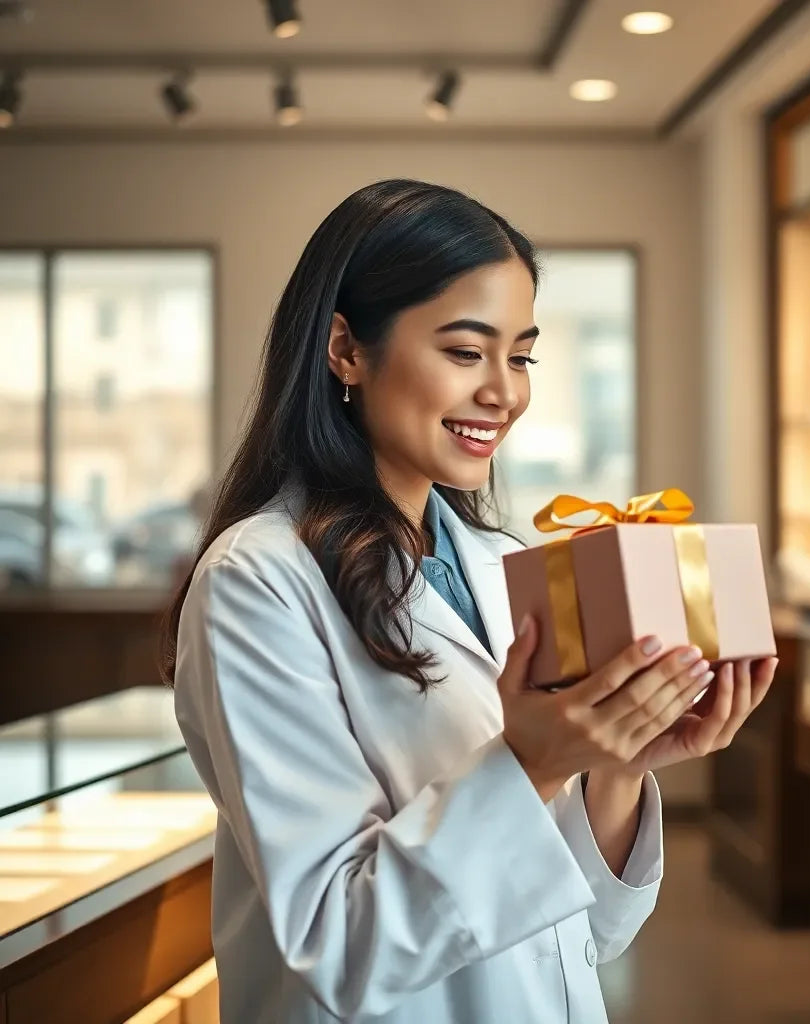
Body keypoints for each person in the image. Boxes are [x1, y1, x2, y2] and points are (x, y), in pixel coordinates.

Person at [163, 179, 777, 1024]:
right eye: (464, 352)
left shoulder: (507, 562)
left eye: (521, 357)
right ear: (345, 349)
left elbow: (589, 932)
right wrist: (537, 762)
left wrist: (620, 763)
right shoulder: (257, 582)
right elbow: (338, 946)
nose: (505, 393)